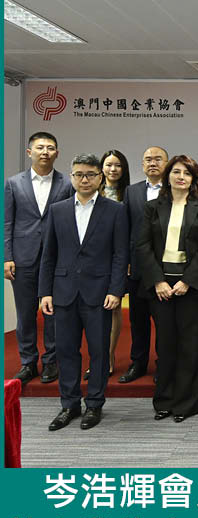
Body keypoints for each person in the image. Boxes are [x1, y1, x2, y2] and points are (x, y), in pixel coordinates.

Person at [40, 154, 128, 431]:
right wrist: (45, 293)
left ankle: (94, 404)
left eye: (90, 174)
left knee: (99, 351)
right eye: (79, 174)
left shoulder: (115, 210)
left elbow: (120, 255)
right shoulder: (58, 210)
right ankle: (69, 404)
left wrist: (116, 290)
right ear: (72, 177)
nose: (85, 180)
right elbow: (48, 255)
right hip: (63, 292)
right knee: (66, 350)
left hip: (99, 293)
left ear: (100, 177)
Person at [137, 155, 198, 422]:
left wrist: (187, 281)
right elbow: (142, 246)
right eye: (176, 172)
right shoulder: (151, 207)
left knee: (189, 346)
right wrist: (158, 281)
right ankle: (164, 400)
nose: (181, 177)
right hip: (160, 285)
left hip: (191, 286)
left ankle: (186, 404)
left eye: (187, 173)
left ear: (194, 179)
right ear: (167, 176)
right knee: (165, 344)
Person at [5, 132, 73, 385]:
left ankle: (51, 361)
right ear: (29, 152)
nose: (45, 152)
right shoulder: (14, 183)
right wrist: (6, 257)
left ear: (57, 153)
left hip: (56, 259)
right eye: (40, 147)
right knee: (25, 314)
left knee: (53, 312)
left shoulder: (66, 184)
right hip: (23, 258)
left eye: (50, 148)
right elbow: (7, 222)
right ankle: (28, 362)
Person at [119, 146, 169, 383]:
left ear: (167, 164)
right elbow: (125, 229)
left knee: (164, 322)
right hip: (137, 268)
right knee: (138, 320)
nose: (153, 163)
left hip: (166, 269)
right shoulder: (132, 191)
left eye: (158, 159)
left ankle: (163, 365)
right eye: (148, 159)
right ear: (142, 164)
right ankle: (138, 363)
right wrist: (127, 261)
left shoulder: (175, 190)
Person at [87, 149, 130, 380]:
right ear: (101, 168)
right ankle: (96, 357)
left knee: (113, 307)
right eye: (108, 165)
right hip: (93, 260)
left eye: (118, 165)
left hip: (118, 259)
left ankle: (109, 356)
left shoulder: (130, 194)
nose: (113, 169)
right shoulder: (90, 192)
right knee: (92, 310)